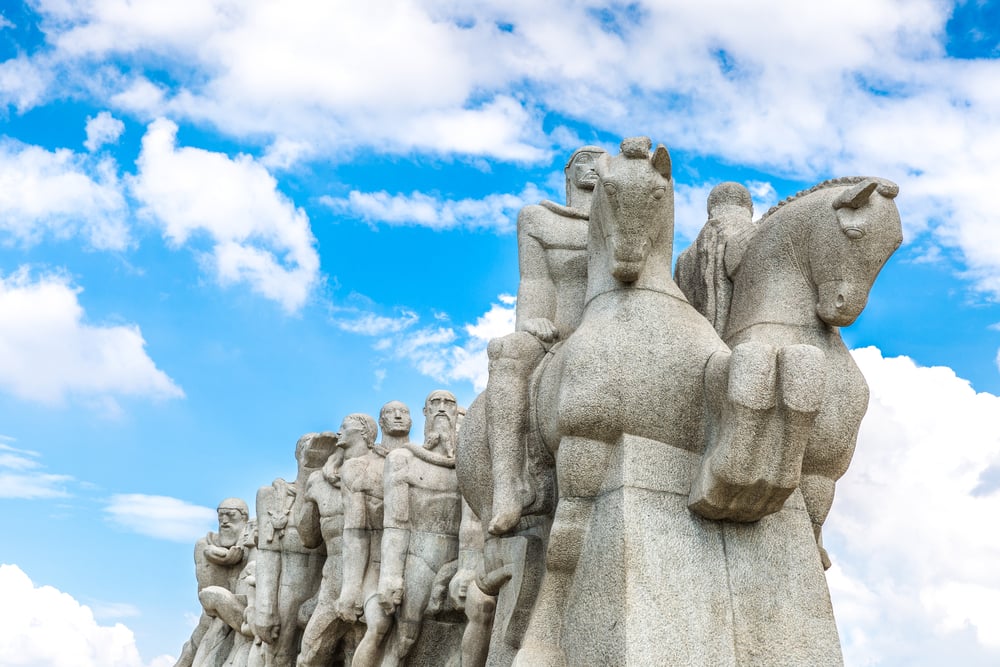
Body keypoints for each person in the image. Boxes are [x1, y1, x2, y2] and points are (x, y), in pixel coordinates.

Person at [485, 145, 607, 534]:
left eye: (601, 159)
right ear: (568, 171)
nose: (594, 165)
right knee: (508, 353)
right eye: (584, 159)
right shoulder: (538, 218)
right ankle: (510, 483)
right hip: (556, 329)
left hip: (608, 324)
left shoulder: (621, 214)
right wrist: (530, 320)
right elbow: (535, 279)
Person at [376, 390, 464, 666]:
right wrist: (390, 575)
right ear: (425, 412)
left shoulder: (468, 462)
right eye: (434, 403)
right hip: (418, 558)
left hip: (460, 557)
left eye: (448, 403)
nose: (441, 408)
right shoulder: (404, 459)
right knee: (405, 639)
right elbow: (396, 523)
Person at [296, 414, 378, 667]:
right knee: (309, 655)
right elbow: (308, 538)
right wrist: (307, 483)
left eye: (345, 426)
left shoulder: (381, 469)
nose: (339, 431)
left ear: (364, 432)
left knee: (362, 654)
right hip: (333, 575)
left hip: (373, 572)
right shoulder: (319, 480)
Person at [174, 498, 251, 667]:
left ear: (244, 517)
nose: (224, 521)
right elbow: (205, 597)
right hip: (215, 613)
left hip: (244, 612)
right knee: (193, 648)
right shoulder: (204, 545)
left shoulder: (252, 541)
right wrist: (219, 557)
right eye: (221, 516)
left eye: (231, 515)